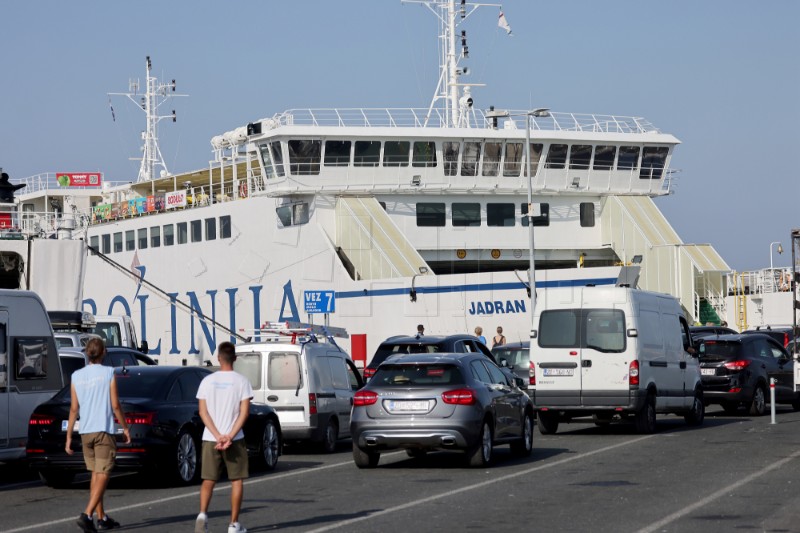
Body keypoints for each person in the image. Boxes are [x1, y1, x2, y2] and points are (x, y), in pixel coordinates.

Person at [66, 338, 131, 532]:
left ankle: (102, 517)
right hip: (103, 429)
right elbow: (115, 405)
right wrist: (125, 427)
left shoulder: (76, 375)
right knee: (104, 473)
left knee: (95, 473)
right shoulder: (108, 372)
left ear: (87, 354)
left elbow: (73, 408)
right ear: (103, 352)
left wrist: (69, 435)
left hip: (85, 430)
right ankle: (87, 515)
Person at [195, 342, 253, 533]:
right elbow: (244, 413)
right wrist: (229, 436)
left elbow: (203, 412)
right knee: (236, 481)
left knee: (208, 480)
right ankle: (233, 524)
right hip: (234, 439)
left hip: (210, 438)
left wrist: (217, 435)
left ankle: (202, 514)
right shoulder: (242, 381)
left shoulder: (206, 381)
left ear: (219, 358)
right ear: (235, 358)